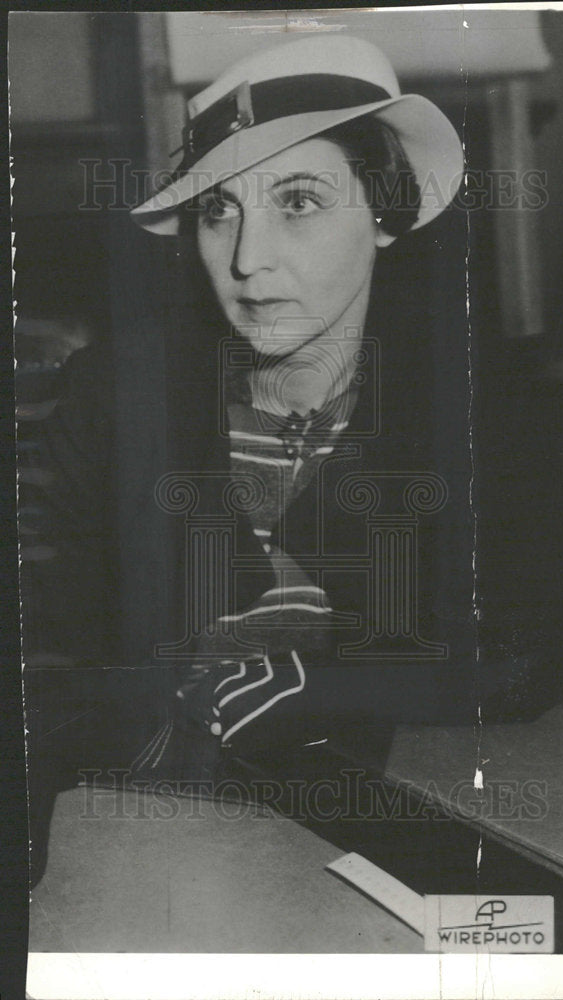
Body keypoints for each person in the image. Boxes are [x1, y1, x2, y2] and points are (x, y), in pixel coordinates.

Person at [23, 35, 481, 876]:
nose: (245, 258)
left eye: (297, 202)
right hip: (139, 836)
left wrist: (323, 689)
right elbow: (38, 645)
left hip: (384, 842)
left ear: (384, 213)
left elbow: (527, 643)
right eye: (217, 210)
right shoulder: (117, 396)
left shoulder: (474, 409)